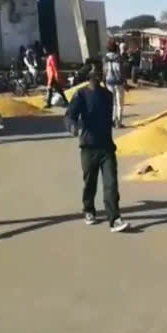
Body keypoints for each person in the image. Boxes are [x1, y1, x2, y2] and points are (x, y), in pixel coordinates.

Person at [65, 65, 130, 233]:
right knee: (90, 183)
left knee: (111, 184)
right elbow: (70, 115)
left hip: (107, 147)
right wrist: (72, 127)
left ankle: (115, 218)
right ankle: (88, 210)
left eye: (100, 73)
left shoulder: (108, 96)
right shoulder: (81, 95)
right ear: (89, 76)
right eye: (95, 73)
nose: (98, 75)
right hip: (88, 147)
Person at [104, 41, 125, 128]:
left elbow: (104, 71)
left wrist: (104, 81)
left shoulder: (105, 58)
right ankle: (118, 122)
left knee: (112, 103)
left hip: (109, 82)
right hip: (118, 83)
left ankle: (112, 120)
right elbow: (121, 71)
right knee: (120, 103)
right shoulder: (119, 58)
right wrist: (125, 82)